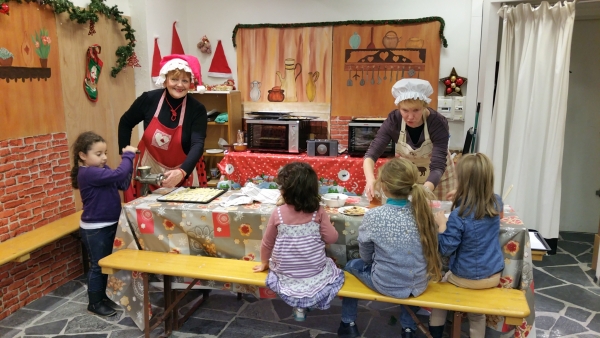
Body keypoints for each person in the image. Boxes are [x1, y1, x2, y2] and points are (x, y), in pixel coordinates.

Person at [338, 158, 442, 338]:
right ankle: (408, 328)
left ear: (383, 187)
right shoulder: (422, 212)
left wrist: (374, 261)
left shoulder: (374, 215)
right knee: (407, 268)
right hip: (418, 284)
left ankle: (348, 323)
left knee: (350, 266)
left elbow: (365, 256)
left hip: (385, 283)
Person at [253, 162, 344, 321]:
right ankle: (306, 304)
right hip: (314, 273)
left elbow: (267, 242)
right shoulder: (318, 212)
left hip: (285, 274)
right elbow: (332, 238)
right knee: (330, 266)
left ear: (284, 191)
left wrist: (263, 262)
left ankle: (299, 305)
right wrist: (328, 226)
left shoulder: (278, 213)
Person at [428, 153, 504, 338]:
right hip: (493, 274)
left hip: (465, 276)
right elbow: (498, 213)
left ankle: (435, 333)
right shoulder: (496, 201)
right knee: (477, 313)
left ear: (462, 181)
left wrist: (442, 225)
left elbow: (445, 249)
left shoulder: (458, 215)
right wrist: (464, 193)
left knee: (440, 297)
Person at [118, 54, 208, 201]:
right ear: (165, 80)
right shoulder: (148, 99)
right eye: (174, 79)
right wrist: (125, 157)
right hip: (147, 173)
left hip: (184, 173)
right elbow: (125, 123)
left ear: (190, 83)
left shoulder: (197, 109)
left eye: (185, 81)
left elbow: (197, 144)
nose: (179, 85)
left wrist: (182, 172)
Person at [70, 131, 137, 316]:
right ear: (83, 156)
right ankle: (94, 302)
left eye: (105, 153)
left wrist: (127, 169)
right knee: (97, 266)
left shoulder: (101, 170)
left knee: (107, 263)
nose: (104, 158)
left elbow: (121, 182)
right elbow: (119, 174)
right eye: (98, 154)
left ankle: (103, 296)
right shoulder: (88, 173)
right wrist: (128, 156)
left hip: (109, 224)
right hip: (95, 229)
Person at [363, 79, 456, 201]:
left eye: (416, 110)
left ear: (424, 106)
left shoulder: (437, 123)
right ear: (398, 107)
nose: (410, 117)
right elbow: (371, 154)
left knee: (437, 215)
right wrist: (370, 180)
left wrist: (425, 190)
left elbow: (438, 166)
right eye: (405, 110)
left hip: (439, 180)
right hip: (409, 178)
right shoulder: (394, 121)